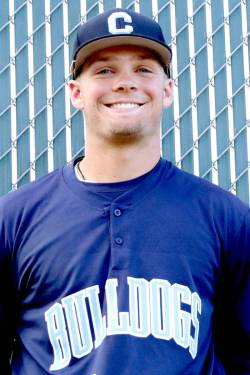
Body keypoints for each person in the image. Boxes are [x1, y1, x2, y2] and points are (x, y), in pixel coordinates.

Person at [0, 7, 249, 375]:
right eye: (104, 70)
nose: (125, 82)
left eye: (143, 69)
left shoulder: (224, 217)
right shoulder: (16, 218)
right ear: (75, 92)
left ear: (166, 90)